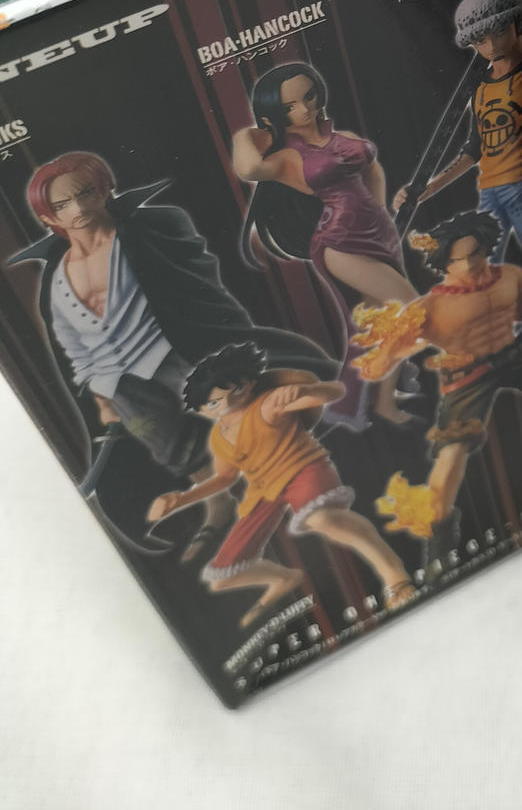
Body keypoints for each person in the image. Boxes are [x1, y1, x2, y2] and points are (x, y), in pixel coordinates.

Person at [10, 151, 336, 559]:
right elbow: (72, 343)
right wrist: (101, 395)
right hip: (121, 384)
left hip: (175, 354)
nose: (77, 209)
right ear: (48, 217)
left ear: (105, 190)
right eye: (61, 205)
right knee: (174, 448)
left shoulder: (149, 231)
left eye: (85, 193)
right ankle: (218, 505)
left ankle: (290, 485)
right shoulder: (56, 280)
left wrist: (212, 337)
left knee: (242, 421)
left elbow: (200, 282)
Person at [354, 210, 522, 572]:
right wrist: (381, 361)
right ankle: (439, 545)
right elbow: (396, 346)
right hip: (467, 373)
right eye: (459, 259)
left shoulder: (510, 276)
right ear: (445, 263)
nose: (470, 264)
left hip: (513, 355)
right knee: (452, 454)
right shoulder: (431, 307)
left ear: (487, 247)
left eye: (476, 253)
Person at [147, 343, 415, 627]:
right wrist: (181, 500)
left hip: (302, 469)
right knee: (222, 577)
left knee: (322, 519)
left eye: (236, 392)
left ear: (250, 384)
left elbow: (335, 392)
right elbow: (225, 478)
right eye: (213, 403)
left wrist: (303, 391)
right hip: (264, 491)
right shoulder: (218, 437)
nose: (226, 404)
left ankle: (394, 575)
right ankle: (283, 578)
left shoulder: (267, 404)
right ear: (201, 409)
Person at [232, 61, 418, 430]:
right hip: (338, 240)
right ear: (273, 114)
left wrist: (382, 212)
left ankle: (380, 402)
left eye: (309, 97)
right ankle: (382, 397)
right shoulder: (286, 157)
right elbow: (249, 169)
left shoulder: (342, 136)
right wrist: (246, 135)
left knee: (377, 324)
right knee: (411, 307)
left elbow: (372, 168)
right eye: (289, 107)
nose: (304, 109)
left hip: (378, 232)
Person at [394, 0, 522, 305]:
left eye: (499, 32)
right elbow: (475, 147)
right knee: (479, 270)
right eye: (481, 40)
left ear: (519, 23)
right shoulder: (481, 86)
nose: (492, 45)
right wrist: (430, 186)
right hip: (491, 191)